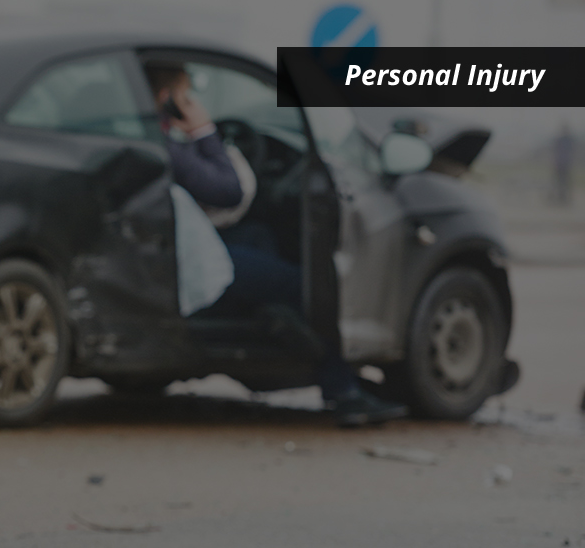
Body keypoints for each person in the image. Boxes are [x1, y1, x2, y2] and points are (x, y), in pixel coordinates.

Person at [145, 62, 408, 426]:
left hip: (176, 245)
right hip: (183, 259)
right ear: (166, 98)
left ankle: (267, 324)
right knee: (304, 285)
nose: (191, 103)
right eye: (186, 96)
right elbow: (227, 191)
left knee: (260, 237)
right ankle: (341, 388)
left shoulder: (148, 138)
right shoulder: (164, 145)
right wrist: (204, 131)